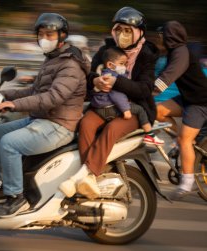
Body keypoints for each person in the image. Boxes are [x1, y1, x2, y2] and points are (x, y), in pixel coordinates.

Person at [0, 13, 90, 217]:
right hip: (41, 119)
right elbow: (34, 92)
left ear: (62, 36)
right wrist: (0, 95)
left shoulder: (70, 65)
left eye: (49, 34)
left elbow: (52, 98)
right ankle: (9, 183)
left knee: (8, 143)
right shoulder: (53, 60)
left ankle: (16, 196)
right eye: (41, 34)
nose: (44, 38)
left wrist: (14, 105)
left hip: (58, 125)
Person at [59, 6, 159, 199]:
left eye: (128, 30)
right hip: (103, 105)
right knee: (86, 123)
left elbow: (145, 89)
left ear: (139, 33)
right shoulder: (106, 50)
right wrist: (95, 80)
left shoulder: (147, 55)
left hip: (134, 109)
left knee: (112, 129)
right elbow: (87, 74)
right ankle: (91, 177)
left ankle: (85, 175)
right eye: (119, 29)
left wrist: (117, 82)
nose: (122, 34)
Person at [154, 21, 207, 200]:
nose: (159, 38)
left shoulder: (181, 53)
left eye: (162, 35)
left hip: (200, 102)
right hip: (187, 99)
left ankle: (187, 182)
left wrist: (147, 91)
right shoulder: (174, 52)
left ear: (170, 36)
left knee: (186, 139)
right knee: (158, 111)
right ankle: (181, 145)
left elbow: (167, 78)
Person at [90, 46, 164, 145]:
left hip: (99, 105)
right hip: (109, 107)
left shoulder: (103, 72)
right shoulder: (113, 76)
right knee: (140, 110)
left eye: (125, 64)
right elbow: (117, 95)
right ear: (110, 65)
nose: (124, 67)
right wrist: (125, 110)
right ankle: (150, 135)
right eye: (121, 64)